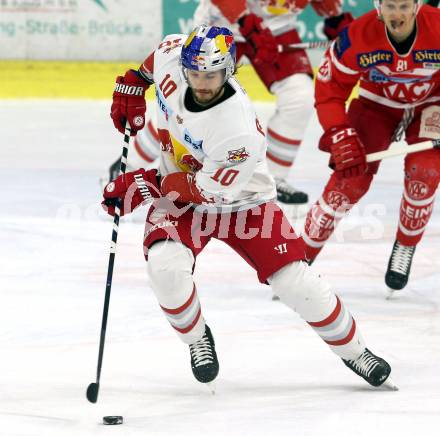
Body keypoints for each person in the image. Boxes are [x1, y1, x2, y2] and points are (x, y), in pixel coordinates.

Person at [103, 24, 395, 389]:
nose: (201, 82)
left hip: (242, 201)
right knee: (165, 269)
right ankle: (197, 341)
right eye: (194, 73)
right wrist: (133, 83)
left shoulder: (237, 127)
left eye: (211, 75)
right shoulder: (174, 57)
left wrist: (143, 184)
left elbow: (206, 190)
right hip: (183, 195)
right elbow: (152, 63)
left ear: (228, 69)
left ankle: (356, 351)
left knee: (294, 282)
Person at [106, 0, 353, 210]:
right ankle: (131, 165)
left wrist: (337, 19)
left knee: (299, 96)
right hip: (221, 25)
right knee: (183, 106)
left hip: (277, 30)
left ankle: (273, 178)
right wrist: (247, 24)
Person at [301, 0, 440, 293]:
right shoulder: (356, 36)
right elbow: (329, 91)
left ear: (416, 6)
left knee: (424, 174)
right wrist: (340, 133)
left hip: (432, 104)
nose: (397, 14)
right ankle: (299, 258)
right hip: (376, 105)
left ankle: (405, 244)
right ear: (378, 6)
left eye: (404, 6)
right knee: (347, 181)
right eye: (390, 6)